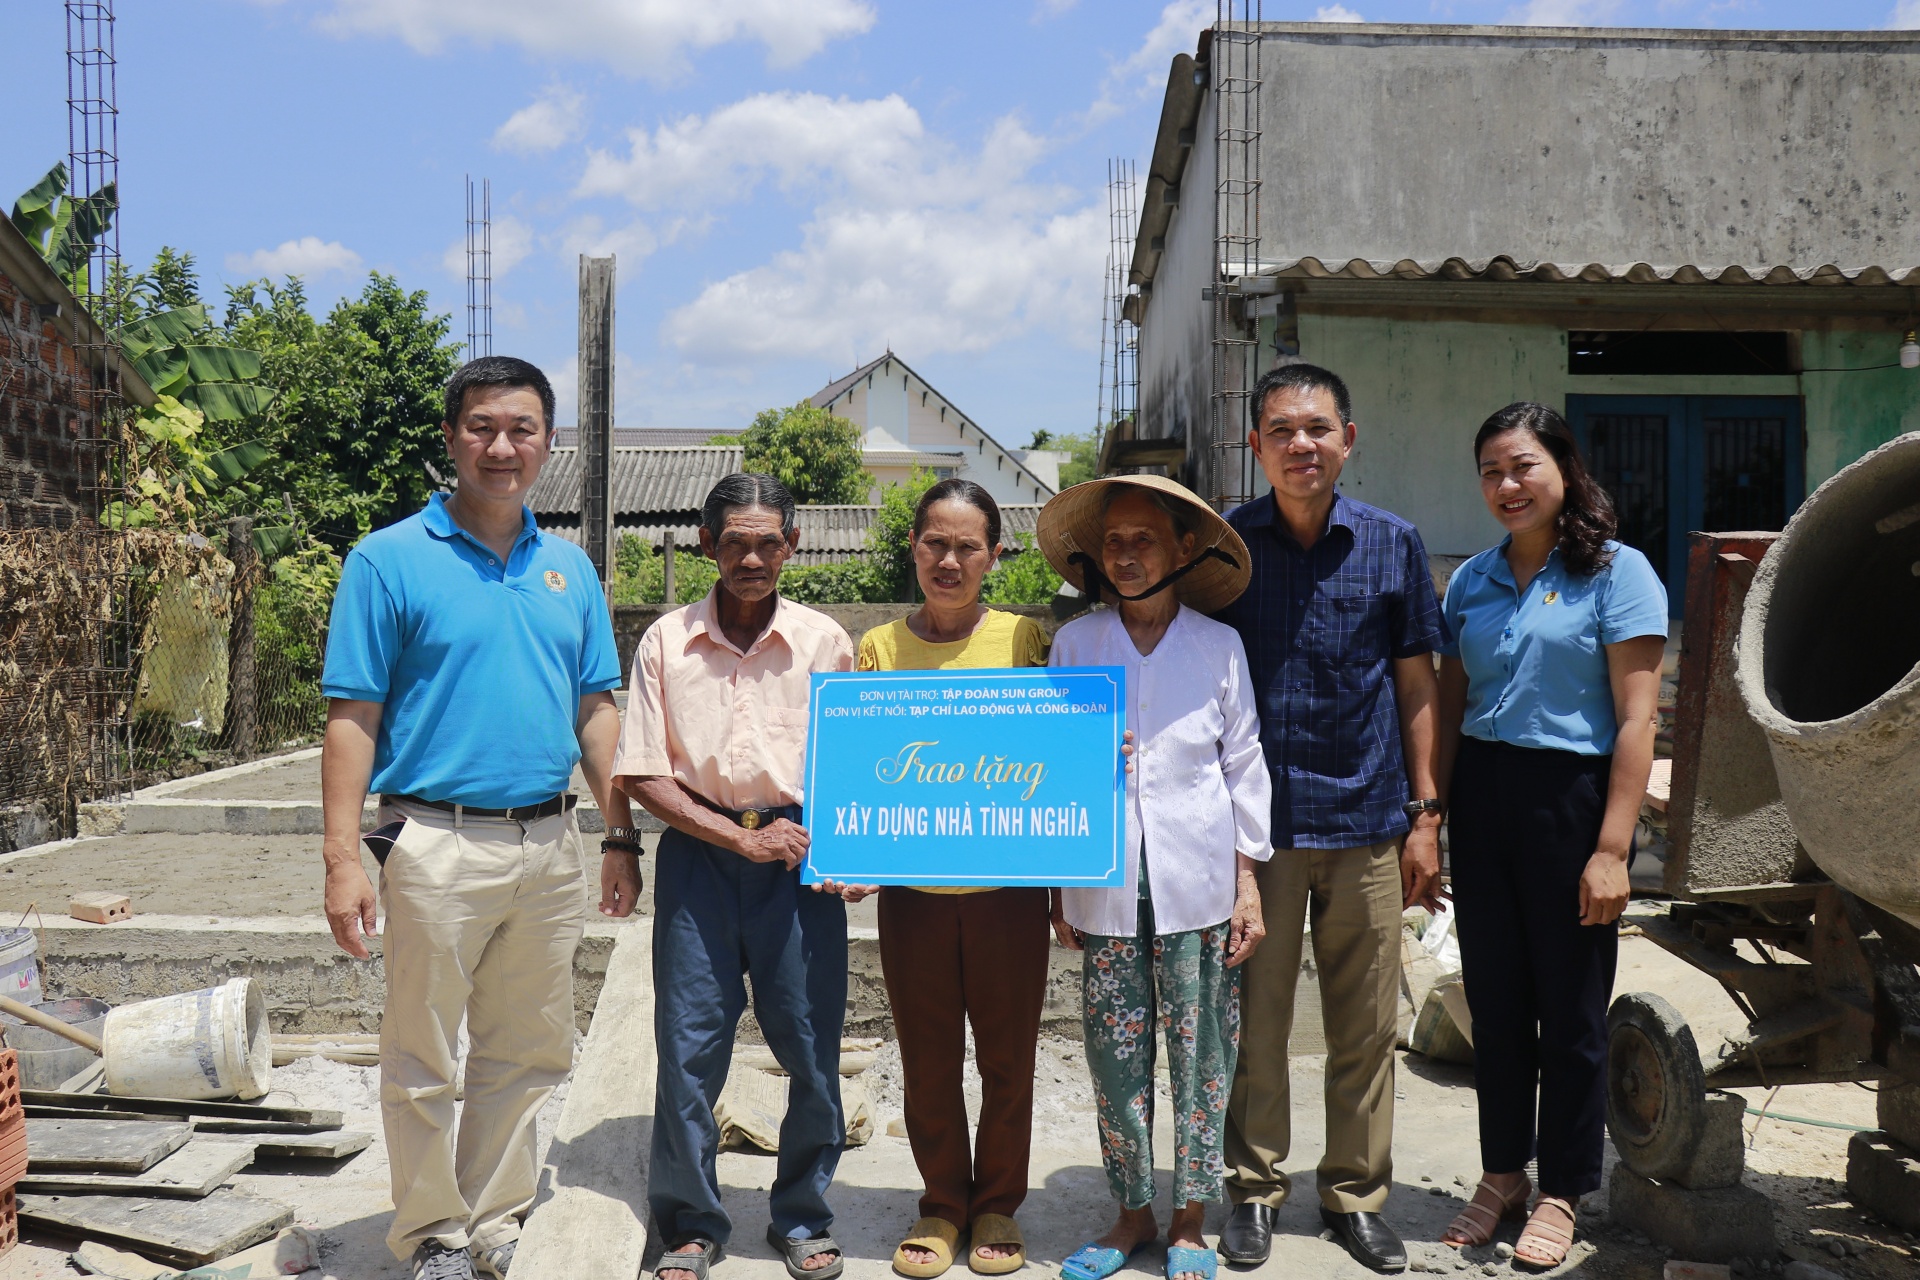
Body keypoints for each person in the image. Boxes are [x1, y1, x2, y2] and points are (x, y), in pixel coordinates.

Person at [319, 356, 642, 1280]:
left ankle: (496, 1219)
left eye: (522, 429)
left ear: (549, 442)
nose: (503, 447)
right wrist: (342, 858)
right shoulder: (387, 560)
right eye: (482, 427)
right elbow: (353, 716)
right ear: (452, 437)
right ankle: (432, 1234)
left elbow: (596, 711)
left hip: (550, 842)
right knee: (423, 1053)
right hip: (433, 841)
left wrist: (619, 834)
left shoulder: (570, 569)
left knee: (527, 1049)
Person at [1213, 363, 1448, 1275]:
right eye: (1281, 431)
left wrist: (1425, 815)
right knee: (1257, 1023)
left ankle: (1355, 1195)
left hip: (1367, 821)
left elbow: (1417, 684)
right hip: (1258, 833)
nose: (1300, 445)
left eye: (1317, 429)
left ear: (1348, 439)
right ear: (1256, 445)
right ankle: (1253, 1190)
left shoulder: (1393, 543)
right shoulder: (1226, 547)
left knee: (1364, 1029)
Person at [1434, 403, 1665, 1269]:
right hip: (1483, 797)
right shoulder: (1471, 581)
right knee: (1495, 1002)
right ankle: (1503, 1173)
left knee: (1570, 1011)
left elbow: (1638, 720)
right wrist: (1432, 817)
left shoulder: (1618, 573)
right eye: (1491, 471)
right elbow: (1451, 705)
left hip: (1571, 799)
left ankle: (1563, 1188)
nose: (1507, 485)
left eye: (1523, 465)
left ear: (1564, 468)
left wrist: (1612, 848)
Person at [613, 474, 854, 1280]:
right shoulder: (666, 641)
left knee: (812, 1049)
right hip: (699, 860)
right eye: (736, 543)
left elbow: (854, 766)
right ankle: (691, 1224)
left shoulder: (825, 642)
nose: (752, 559)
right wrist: (739, 839)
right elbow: (644, 775)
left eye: (768, 543)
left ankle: (803, 1216)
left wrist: (850, 853)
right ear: (708, 545)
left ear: (792, 546)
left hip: (799, 861)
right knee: (688, 1049)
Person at [816, 478, 1052, 1279]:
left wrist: (1099, 749)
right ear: (913, 548)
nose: (949, 561)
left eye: (967, 547)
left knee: (1009, 1058)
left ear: (994, 555)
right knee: (926, 1058)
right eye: (935, 544)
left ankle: (999, 1203)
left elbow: (1055, 753)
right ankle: (944, 1203)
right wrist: (849, 850)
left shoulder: (1025, 641)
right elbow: (861, 765)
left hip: (1009, 894)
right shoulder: (879, 648)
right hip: (914, 897)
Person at [1037, 474, 1271, 1280]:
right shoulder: (1076, 646)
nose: (1127, 554)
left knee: (1203, 1055)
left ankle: (1191, 1220)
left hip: (1199, 886)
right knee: (1113, 1057)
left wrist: (1247, 884)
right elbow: (1049, 770)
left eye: (1144, 538)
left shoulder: (1218, 645)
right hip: (1104, 888)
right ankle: (1132, 1212)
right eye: (1114, 541)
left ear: (1183, 548)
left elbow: (1244, 766)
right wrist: (1057, 886)